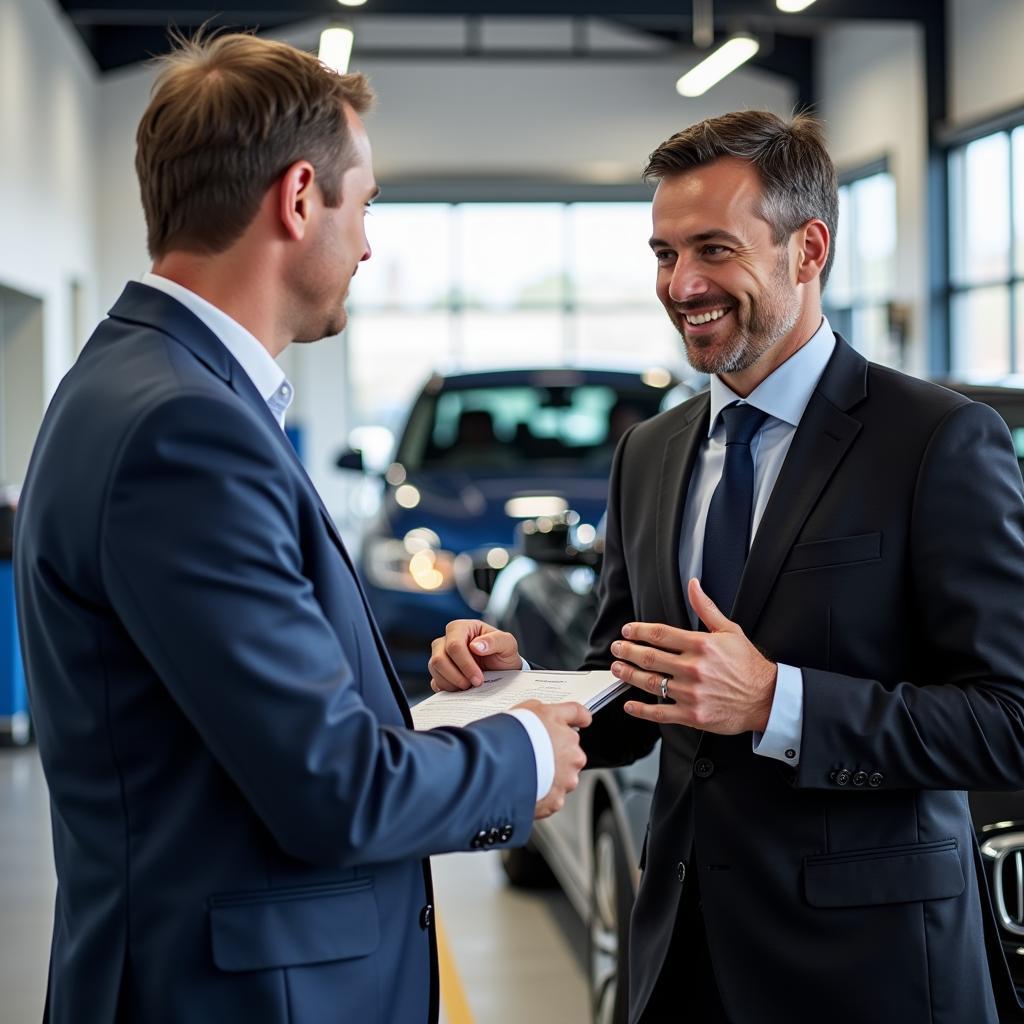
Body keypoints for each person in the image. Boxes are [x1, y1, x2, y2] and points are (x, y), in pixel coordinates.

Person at [13, 32, 591, 1024]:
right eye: (362, 205)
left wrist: (421, 708)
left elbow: (240, 728)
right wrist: (522, 750)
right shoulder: (183, 428)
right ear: (296, 198)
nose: (367, 243)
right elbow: (332, 790)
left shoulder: (147, 385)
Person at [430, 110, 1024, 1024]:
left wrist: (777, 700)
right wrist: (520, 688)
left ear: (809, 248)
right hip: (681, 957)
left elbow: (1008, 722)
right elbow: (630, 693)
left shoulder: (936, 442)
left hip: (872, 971)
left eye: (713, 249)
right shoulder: (652, 451)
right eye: (664, 253)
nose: (682, 284)